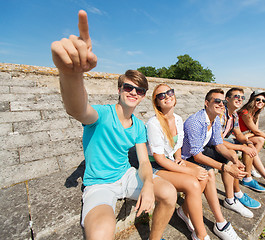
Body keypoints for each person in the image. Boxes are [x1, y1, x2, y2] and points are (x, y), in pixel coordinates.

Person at [51, 10, 177, 240]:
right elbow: (77, 109)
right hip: (100, 185)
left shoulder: (138, 126)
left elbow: (143, 162)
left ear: (142, 96)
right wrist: (71, 75)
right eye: (128, 87)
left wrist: (148, 183)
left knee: (169, 192)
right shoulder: (101, 114)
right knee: (100, 233)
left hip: (126, 176)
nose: (133, 92)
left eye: (139, 90)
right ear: (119, 90)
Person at [146, 84, 210, 240]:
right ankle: (201, 234)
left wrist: (179, 159)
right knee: (193, 182)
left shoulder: (178, 119)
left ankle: (184, 211)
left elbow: (178, 145)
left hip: (170, 161)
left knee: (205, 176)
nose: (167, 96)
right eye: (161, 95)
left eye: (170, 92)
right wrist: (189, 170)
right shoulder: (153, 123)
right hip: (155, 166)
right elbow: (159, 158)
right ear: (157, 103)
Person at [182, 88, 246, 240]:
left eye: (223, 102)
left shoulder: (216, 118)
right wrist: (226, 168)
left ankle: (221, 216)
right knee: (209, 173)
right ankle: (220, 223)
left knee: (226, 159)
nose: (221, 104)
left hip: (196, 154)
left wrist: (235, 160)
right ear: (206, 103)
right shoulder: (195, 122)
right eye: (217, 101)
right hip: (184, 158)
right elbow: (197, 155)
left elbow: (219, 144)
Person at [219, 88, 265, 218]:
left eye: (242, 97)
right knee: (232, 156)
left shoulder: (233, 115)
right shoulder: (221, 114)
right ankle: (232, 197)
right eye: (236, 97)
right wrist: (242, 148)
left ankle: (246, 179)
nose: (240, 99)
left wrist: (248, 143)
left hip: (222, 141)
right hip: (209, 146)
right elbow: (218, 140)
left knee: (248, 144)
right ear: (227, 99)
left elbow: (238, 134)